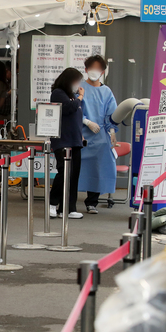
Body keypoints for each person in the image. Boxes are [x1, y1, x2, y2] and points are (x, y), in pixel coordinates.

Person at [78, 55, 118, 213]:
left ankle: (91, 202)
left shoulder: (106, 91)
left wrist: (112, 130)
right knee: (78, 168)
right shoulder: (79, 88)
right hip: (82, 135)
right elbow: (74, 108)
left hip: (101, 138)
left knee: (97, 168)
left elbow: (112, 114)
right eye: (92, 68)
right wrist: (86, 121)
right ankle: (69, 203)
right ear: (86, 70)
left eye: (98, 69)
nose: (95, 72)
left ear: (102, 72)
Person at [49, 68, 85, 219]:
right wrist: (80, 97)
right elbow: (68, 109)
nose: (78, 85)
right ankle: (52, 203)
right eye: (76, 81)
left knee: (73, 175)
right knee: (63, 172)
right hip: (63, 140)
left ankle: (69, 208)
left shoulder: (71, 96)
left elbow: (76, 117)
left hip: (75, 140)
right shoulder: (58, 93)